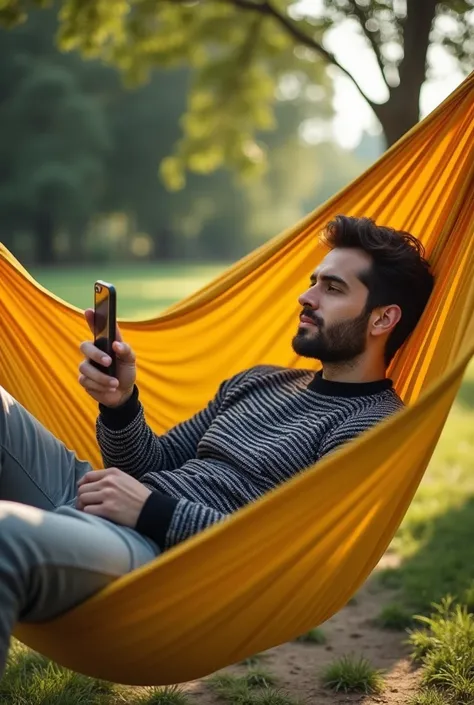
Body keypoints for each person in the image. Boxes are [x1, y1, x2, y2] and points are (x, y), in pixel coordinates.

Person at [0, 215, 434, 675]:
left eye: (332, 288)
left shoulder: (372, 426)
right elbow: (152, 464)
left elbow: (286, 552)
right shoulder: (260, 381)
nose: (305, 298)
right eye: (313, 283)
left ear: (383, 318)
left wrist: (150, 511)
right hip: (106, 502)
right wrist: (120, 402)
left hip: (160, 563)